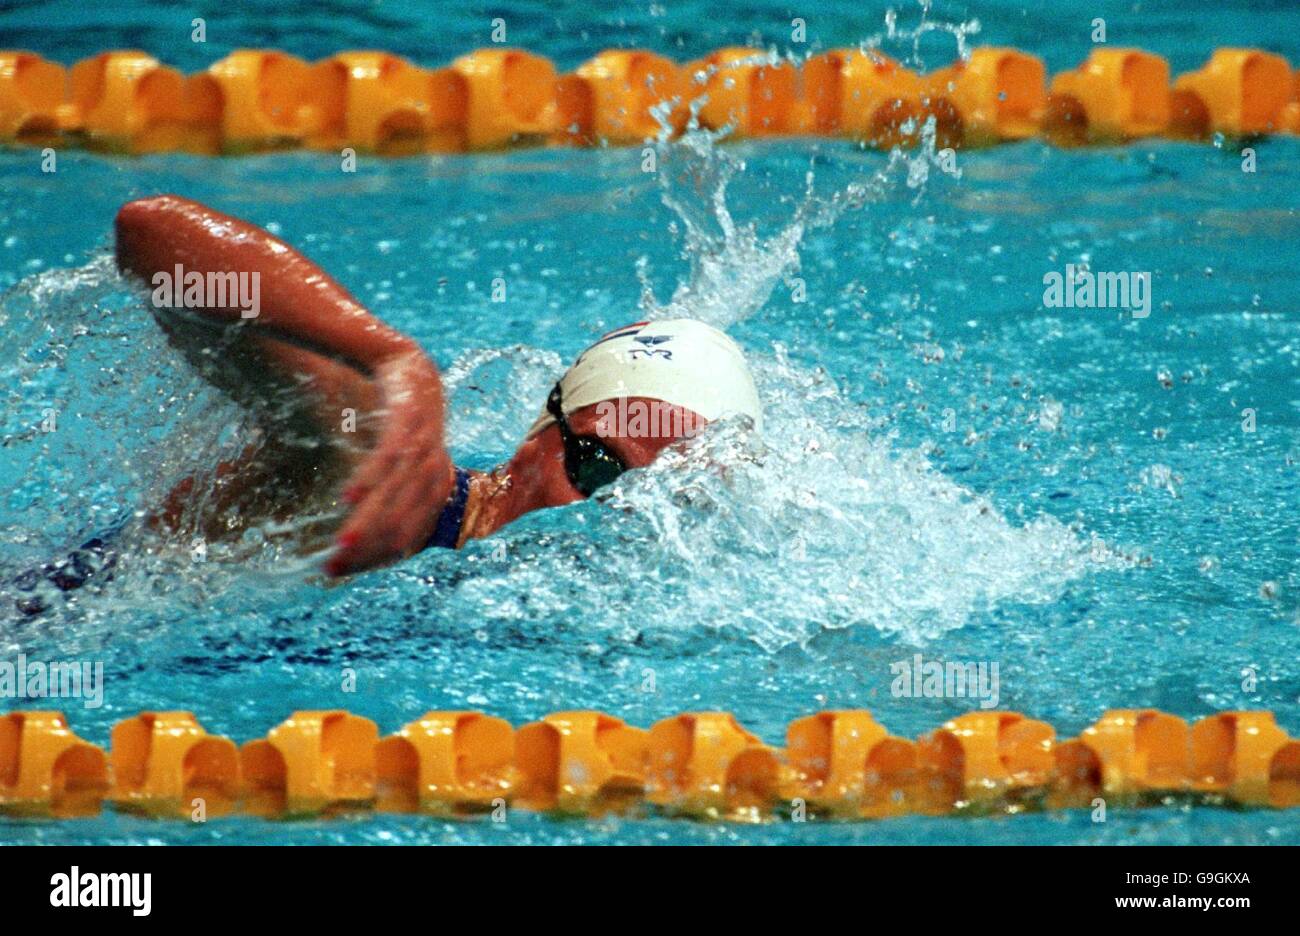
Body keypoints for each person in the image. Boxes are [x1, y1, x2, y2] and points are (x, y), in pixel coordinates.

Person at [105, 195, 763, 579]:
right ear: (540, 433)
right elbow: (152, 235)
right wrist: (388, 356)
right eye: (597, 467)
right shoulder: (383, 473)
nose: (614, 513)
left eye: (671, 498)